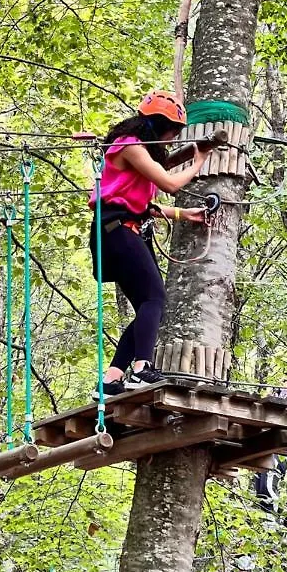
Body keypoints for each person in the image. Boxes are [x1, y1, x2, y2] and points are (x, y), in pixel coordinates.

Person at [90, 90, 213, 398]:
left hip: (120, 231)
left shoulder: (137, 154)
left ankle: (111, 378)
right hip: (116, 231)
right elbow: (169, 184)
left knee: (149, 306)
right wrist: (198, 161)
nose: (172, 138)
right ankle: (142, 368)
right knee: (155, 299)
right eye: (172, 131)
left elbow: (146, 206)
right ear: (159, 126)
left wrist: (185, 214)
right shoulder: (129, 147)